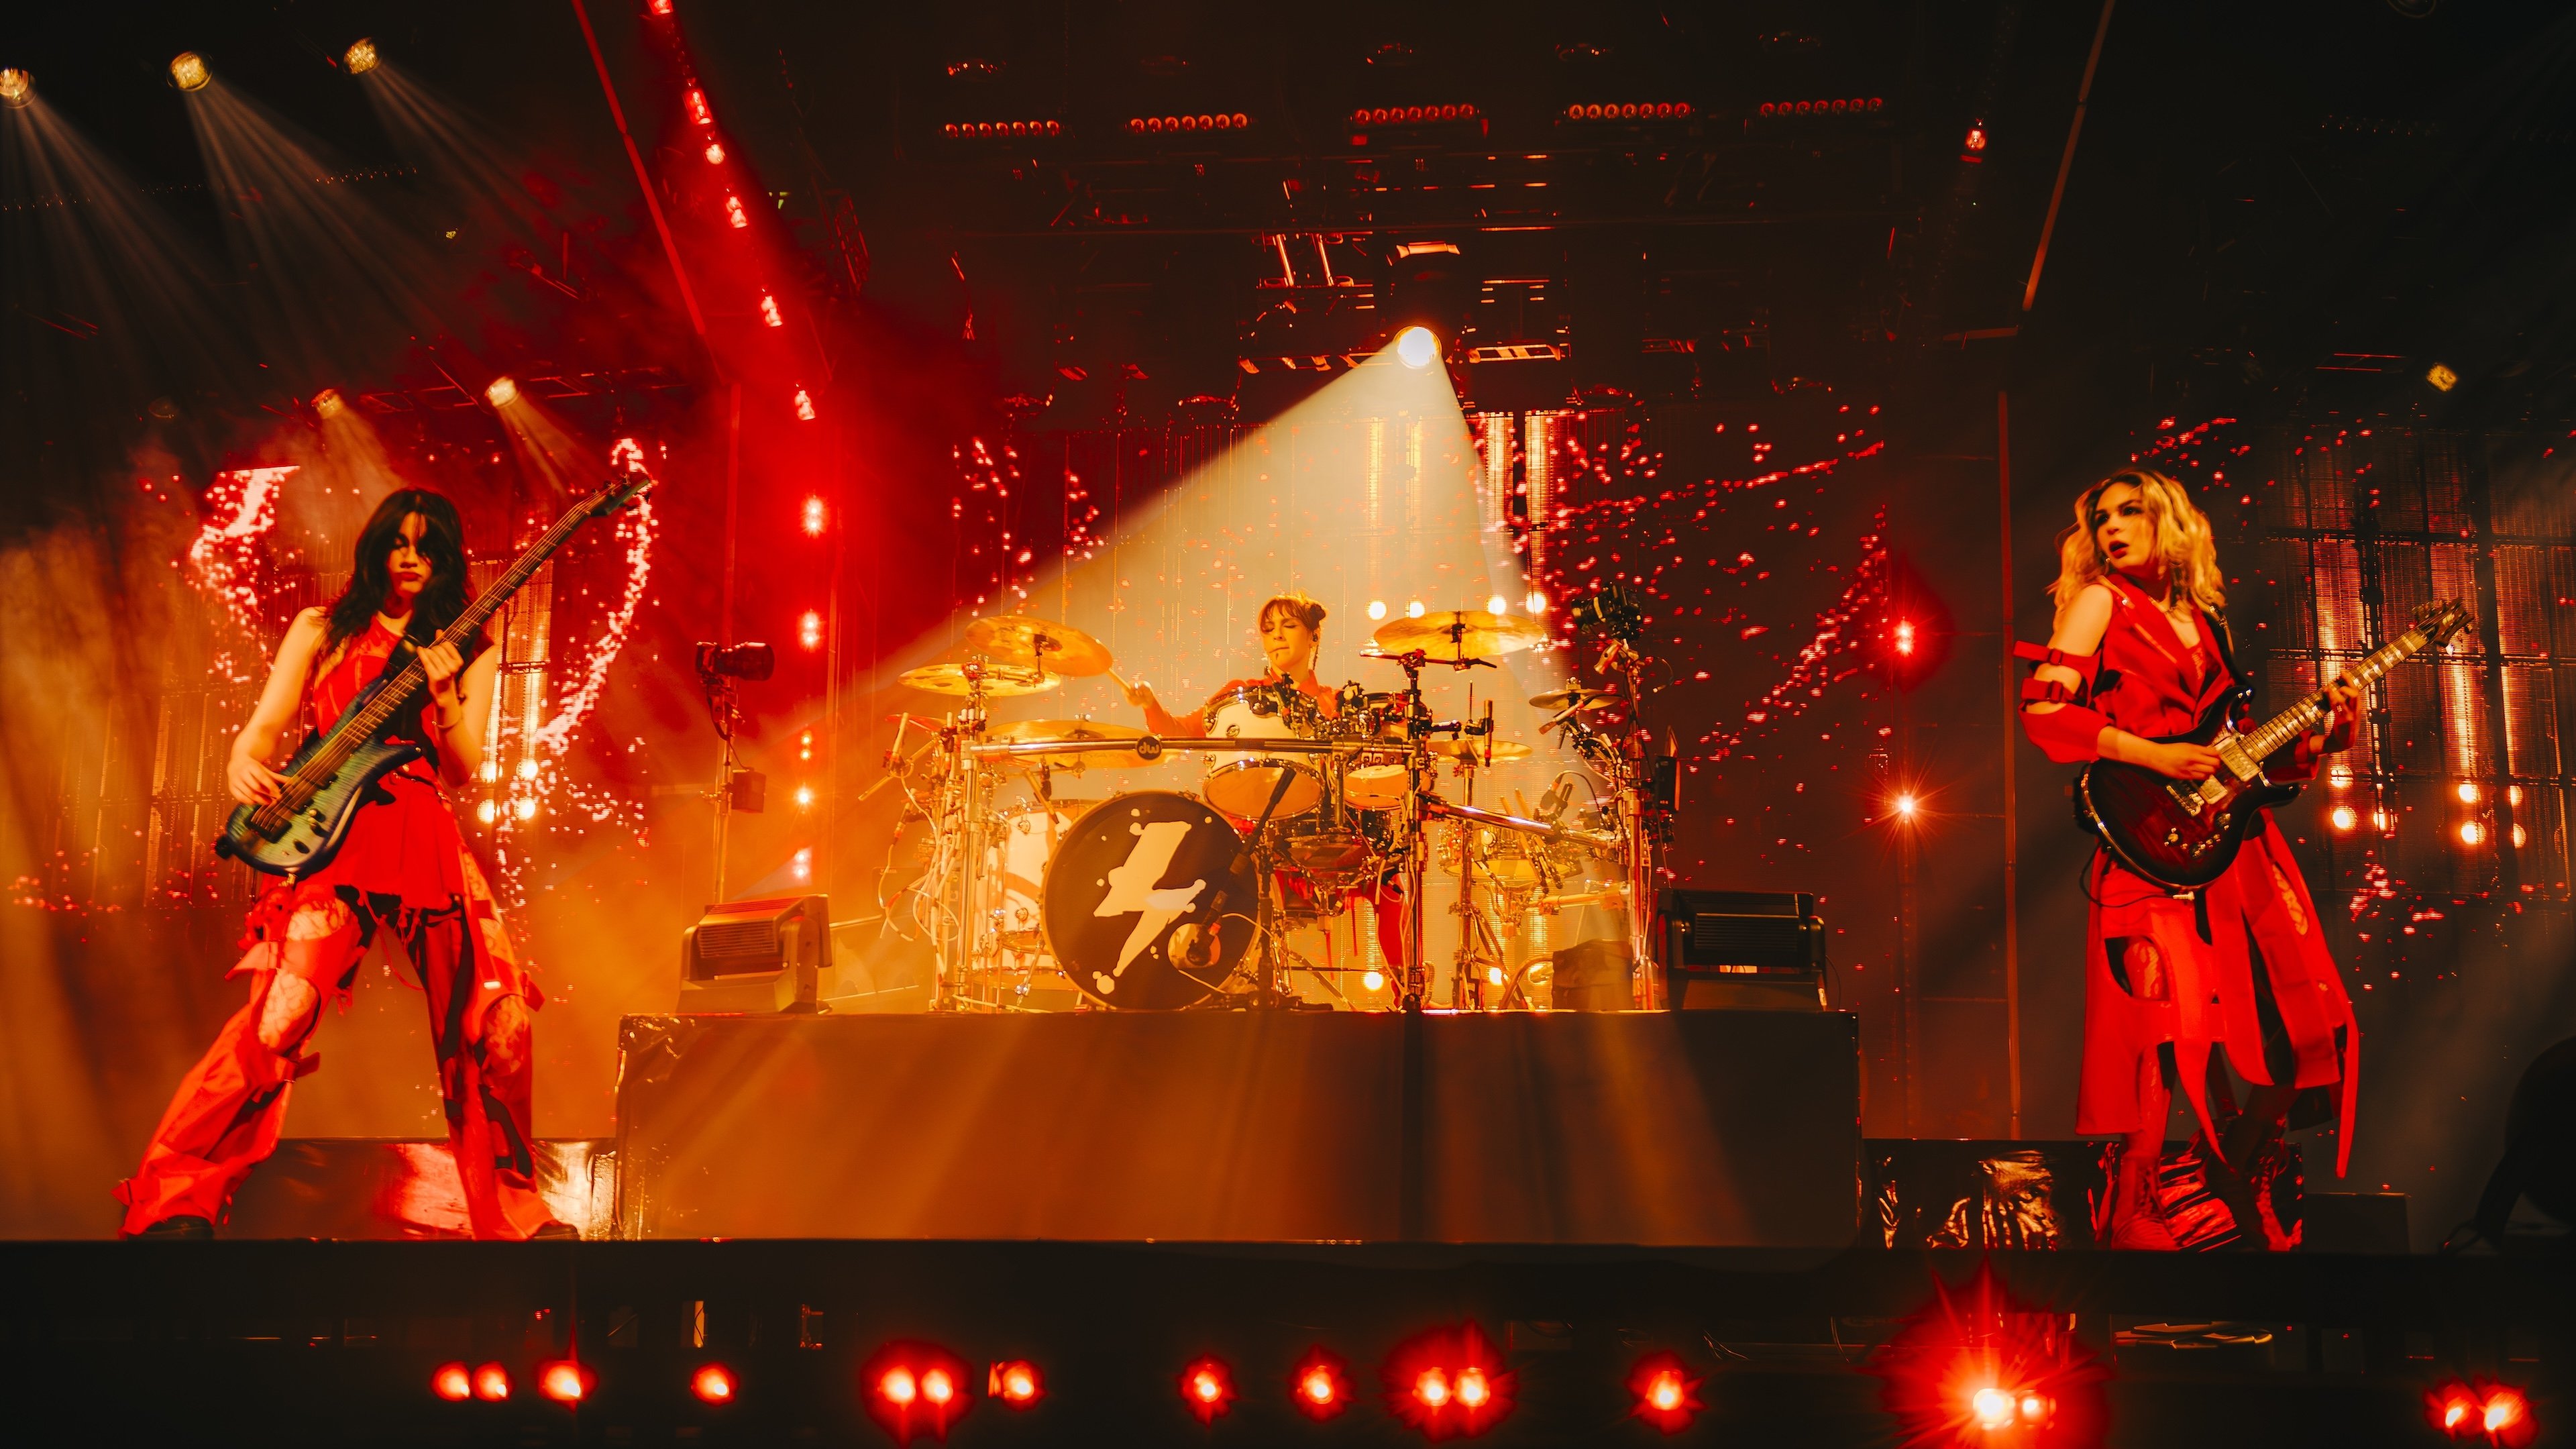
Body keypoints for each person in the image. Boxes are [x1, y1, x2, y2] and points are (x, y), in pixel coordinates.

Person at [116, 490, 568, 1240]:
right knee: (281, 1012)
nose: (410, 557)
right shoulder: (321, 628)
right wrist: (241, 760)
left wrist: (448, 689)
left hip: (422, 829)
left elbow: (464, 771)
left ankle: (515, 1215)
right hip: (327, 835)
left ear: (448, 557)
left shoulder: (470, 645)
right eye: (398, 542)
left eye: (426, 546)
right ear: (377, 549)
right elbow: (264, 727)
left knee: (499, 1023)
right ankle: (175, 1198)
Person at [2018, 468, 2364, 1250]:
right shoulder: (2100, 601)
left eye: (2130, 511)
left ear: (2170, 521)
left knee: (2305, 1023)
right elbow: (2044, 711)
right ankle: (2135, 1199)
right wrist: (2154, 755)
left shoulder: (2209, 622)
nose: (2112, 527)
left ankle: (2239, 1166)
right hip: (2149, 840)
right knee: (2164, 1022)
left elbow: (2246, 766)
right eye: (2101, 516)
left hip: (2233, 845)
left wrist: (2324, 741)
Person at [1122, 592, 1411, 982]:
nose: (1276, 636)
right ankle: (1217, 983)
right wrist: (1151, 705)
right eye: (1268, 629)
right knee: (1211, 869)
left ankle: (1407, 993)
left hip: (1318, 831)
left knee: (1392, 879)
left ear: (1313, 637)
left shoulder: (1335, 703)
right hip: (1255, 832)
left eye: (1288, 626)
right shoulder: (1240, 694)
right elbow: (1178, 733)